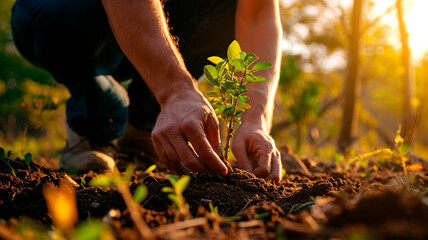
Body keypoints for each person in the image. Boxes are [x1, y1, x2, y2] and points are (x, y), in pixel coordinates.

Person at [11, 0, 283, 182]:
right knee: (65, 14)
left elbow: (258, 15)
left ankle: (144, 125)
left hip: (158, 32)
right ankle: (96, 118)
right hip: (69, 16)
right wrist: (175, 90)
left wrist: (254, 119)